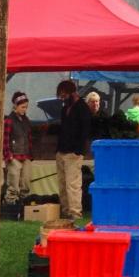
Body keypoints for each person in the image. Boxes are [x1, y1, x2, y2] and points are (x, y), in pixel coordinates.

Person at [55, 80, 91, 221]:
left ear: (72, 93)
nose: (62, 98)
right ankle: (65, 212)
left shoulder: (82, 108)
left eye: (64, 95)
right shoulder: (65, 109)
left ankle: (75, 213)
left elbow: (85, 132)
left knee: (73, 185)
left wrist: (78, 151)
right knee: (62, 184)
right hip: (62, 151)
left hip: (73, 153)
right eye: (61, 96)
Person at [2, 91, 32, 204]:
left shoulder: (26, 120)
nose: (25, 109)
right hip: (14, 156)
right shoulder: (9, 120)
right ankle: (10, 205)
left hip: (26, 155)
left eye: (26, 107)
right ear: (15, 105)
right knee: (13, 183)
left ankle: (24, 205)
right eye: (22, 107)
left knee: (26, 183)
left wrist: (30, 154)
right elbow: (5, 139)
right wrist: (8, 155)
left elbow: (29, 138)